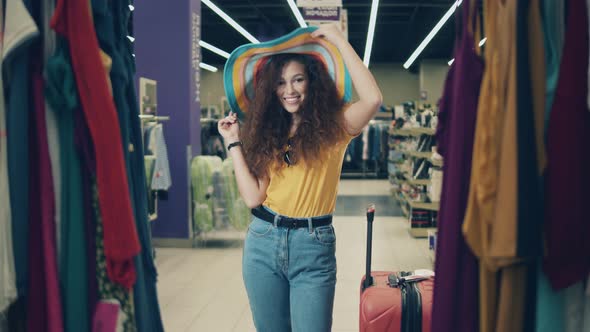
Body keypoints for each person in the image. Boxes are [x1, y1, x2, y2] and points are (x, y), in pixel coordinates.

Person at [218, 24, 382, 332]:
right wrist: (232, 142)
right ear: (271, 88)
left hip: (313, 244)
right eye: (280, 82)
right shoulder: (271, 132)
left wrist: (338, 40)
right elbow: (254, 197)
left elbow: (372, 99)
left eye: (297, 80)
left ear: (312, 82)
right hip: (263, 241)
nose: (289, 90)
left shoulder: (335, 127)